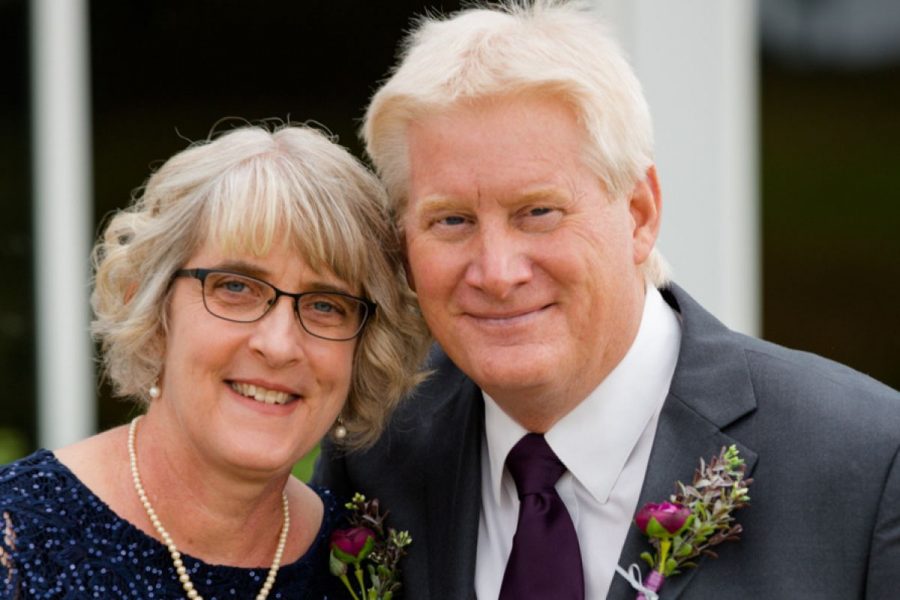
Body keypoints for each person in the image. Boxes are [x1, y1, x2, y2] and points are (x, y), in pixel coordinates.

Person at [314, 2, 900, 599]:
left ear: (640, 213)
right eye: (452, 220)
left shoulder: (867, 463)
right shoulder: (374, 454)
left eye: (538, 212)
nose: (496, 272)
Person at [0, 124, 428, 598]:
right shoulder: (16, 540)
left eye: (326, 305)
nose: (280, 344)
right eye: (236, 288)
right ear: (150, 302)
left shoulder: (364, 559)